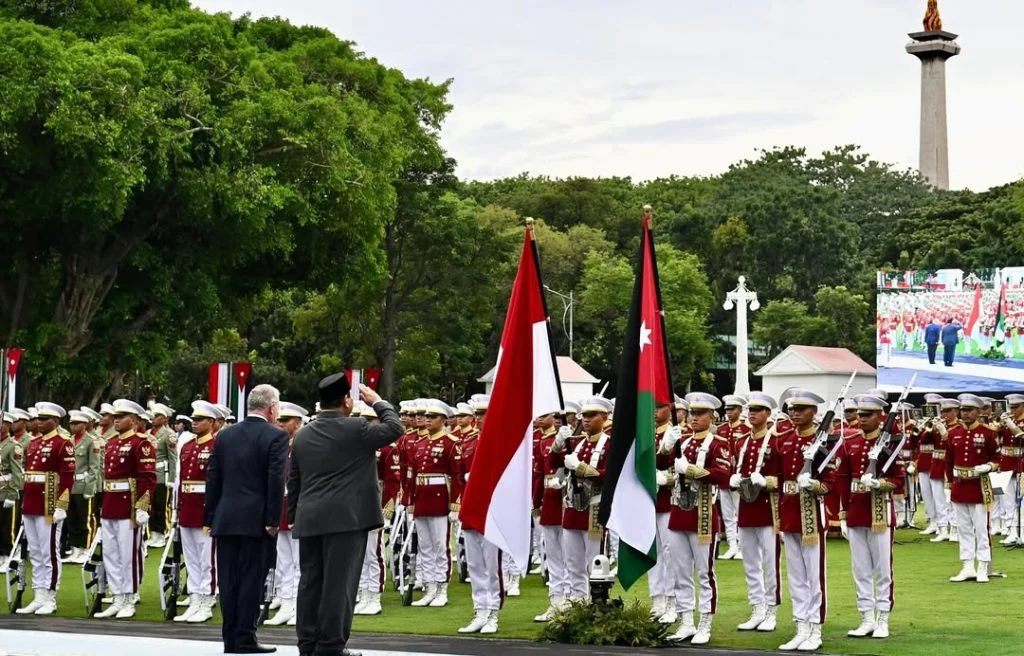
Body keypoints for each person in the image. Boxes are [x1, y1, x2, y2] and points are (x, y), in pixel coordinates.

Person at [288, 375, 402, 656]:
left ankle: (307, 644)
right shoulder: (357, 428)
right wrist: (377, 402)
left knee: (310, 583)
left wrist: (293, 516)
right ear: (346, 401)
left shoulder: (302, 434)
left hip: (310, 517)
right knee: (339, 584)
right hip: (346, 519)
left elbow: (295, 481)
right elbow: (395, 427)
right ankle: (330, 646)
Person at [206, 384, 288, 654]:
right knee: (252, 579)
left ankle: (230, 637)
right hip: (256, 520)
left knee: (228, 581)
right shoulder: (276, 436)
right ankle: (245, 637)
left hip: (226, 518)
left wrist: (212, 516)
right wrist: (273, 519)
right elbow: (275, 481)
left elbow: (213, 477)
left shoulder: (225, 435)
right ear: (272, 408)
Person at [660, 392, 731, 645]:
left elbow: (723, 476)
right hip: (679, 513)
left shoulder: (717, 443)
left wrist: (689, 470)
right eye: (692, 413)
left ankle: (705, 622)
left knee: (704, 572)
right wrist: (666, 446)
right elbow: (660, 463)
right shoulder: (686, 442)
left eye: (701, 414)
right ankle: (686, 620)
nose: (695, 418)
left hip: (702, 514)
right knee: (680, 572)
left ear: (712, 417)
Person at [769, 389, 833, 652]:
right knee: (795, 575)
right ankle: (800, 626)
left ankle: (815, 628)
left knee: (814, 576)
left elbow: (832, 485)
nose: (794, 413)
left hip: (812, 516)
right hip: (789, 512)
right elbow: (778, 479)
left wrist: (815, 485)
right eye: (792, 409)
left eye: (801, 409)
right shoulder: (783, 440)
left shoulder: (825, 442)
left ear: (814, 412)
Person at [843, 395, 903, 639]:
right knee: (860, 569)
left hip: (879, 511)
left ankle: (883, 618)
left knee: (882, 569)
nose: (862, 419)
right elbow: (843, 478)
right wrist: (843, 514)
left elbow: (898, 479)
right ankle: (866, 616)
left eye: (867, 415)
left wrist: (880, 483)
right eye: (860, 414)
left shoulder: (888, 444)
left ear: (880, 417)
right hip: (856, 511)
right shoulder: (851, 441)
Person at [92, 399, 157, 619]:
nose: (116, 420)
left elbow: (147, 477)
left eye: (122, 417)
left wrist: (142, 506)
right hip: (110, 503)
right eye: (115, 417)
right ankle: (117, 595)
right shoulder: (111, 443)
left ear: (135, 420)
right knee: (110, 553)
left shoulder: (141, 443)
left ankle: (129, 597)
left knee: (128, 554)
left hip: (128, 505)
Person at [549, 396, 612, 604]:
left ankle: (597, 603)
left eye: (592, 415)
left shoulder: (609, 444)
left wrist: (581, 469)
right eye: (584, 415)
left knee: (595, 562)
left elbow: (609, 476)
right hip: (573, 510)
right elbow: (553, 461)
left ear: (604, 417)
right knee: (573, 562)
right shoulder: (575, 443)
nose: (586, 419)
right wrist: (558, 444)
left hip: (594, 509)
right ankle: (577, 601)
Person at [16, 402, 74, 615]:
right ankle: (38, 594)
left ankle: (50, 596)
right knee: (36, 552)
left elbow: (67, 477)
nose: (38, 422)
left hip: (48, 502)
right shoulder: (34, 443)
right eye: (38, 419)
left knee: (49, 551)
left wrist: (61, 504)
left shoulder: (62, 443)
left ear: (55, 421)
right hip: (31, 502)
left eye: (43, 419)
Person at [731, 392, 782, 633]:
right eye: (750, 410)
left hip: (768, 508)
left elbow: (784, 476)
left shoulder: (776, 441)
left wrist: (767, 481)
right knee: (750, 563)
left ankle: (771, 610)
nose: (752, 414)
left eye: (758, 410)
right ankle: (757, 608)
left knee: (770, 563)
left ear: (768, 414)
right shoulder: (741, 441)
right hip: (746, 506)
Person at [172, 401, 222, 623]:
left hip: (205, 509)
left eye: (200, 420)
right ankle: (194, 596)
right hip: (188, 508)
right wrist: (177, 508)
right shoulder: (188, 446)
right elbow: (182, 480)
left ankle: (206, 598)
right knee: (191, 558)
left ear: (212, 423)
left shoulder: (216, 446)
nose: (195, 423)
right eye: (194, 419)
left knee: (207, 558)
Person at [947, 394, 1000, 583]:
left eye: (969, 410)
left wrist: (989, 467)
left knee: (981, 528)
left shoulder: (988, 433)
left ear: (978, 412)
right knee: (963, 529)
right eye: (963, 410)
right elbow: (949, 460)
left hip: (979, 486)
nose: (965, 414)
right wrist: (949, 485)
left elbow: (997, 458)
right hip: (960, 485)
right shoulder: (953, 433)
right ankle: (967, 566)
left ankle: (983, 565)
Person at [265, 401, 308, 626]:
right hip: (281, 507)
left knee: (300, 562)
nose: (280, 424)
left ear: (298, 423)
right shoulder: (281, 447)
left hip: (299, 508)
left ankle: (299, 607)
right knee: (284, 561)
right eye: (279, 420)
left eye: (285, 421)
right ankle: (287, 602)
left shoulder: (304, 446)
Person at [62, 410, 101, 564]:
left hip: (84, 484)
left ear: (85, 424)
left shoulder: (91, 441)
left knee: (86, 519)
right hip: (70, 485)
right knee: (72, 519)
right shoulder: (69, 441)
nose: (73, 426)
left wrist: (90, 488)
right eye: (71, 423)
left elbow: (94, 467)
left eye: (77, 423)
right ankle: (75, 549)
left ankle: (86, 549)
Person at [715, 394, 748, 560]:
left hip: (737, 477)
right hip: (724, 477)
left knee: (739, 513)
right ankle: (732, 546)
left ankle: (742, 546)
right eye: (727, 409)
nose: (728, 412)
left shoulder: (745, 430)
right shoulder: (721, 429)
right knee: (727, 515)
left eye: (732, 409)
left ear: (740, 410)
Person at [0, 410, 26, 571]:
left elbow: (17, 473)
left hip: (6, 490)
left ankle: (8, 556)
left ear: (7, 425)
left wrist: (12, 494)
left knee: (7, 526)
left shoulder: (13, 447)